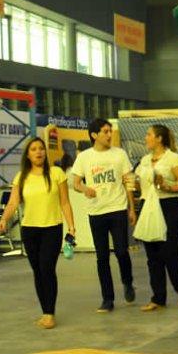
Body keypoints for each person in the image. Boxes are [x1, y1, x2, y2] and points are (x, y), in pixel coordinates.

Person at [0, 138, 76, 329]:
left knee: (47, 268)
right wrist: (4, 219)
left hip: (52, 228)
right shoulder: (21, 177)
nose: (38, 152)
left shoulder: (56, 173)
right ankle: (45, 311)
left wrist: (71, 226)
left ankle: (50, 313)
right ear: (28, 155)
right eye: (33, 149)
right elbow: (13, 202)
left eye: (41, 148)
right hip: (29, 230)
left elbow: (65, 202)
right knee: (38, 271)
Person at [70, 118, 135, 313]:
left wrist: (131, 208)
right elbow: (75, 182)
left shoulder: (120, 154)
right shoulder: (84, 157)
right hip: (96, 211)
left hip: (117, 208)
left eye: (110, 131)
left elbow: (128, 181)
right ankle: (108, 299)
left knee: (122, 251)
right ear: (94, 135)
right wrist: (85, 189)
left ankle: (127, 282)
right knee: (102, 257)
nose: (109, 134)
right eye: (105, 131)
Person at [135, 124, 178, 311]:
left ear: (159, 138)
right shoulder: (144, 161)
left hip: (168, 207)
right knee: (152, 256)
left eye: (149, 134)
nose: (145, 138)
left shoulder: (172, 158)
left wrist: (167, 186)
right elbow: (139, 184)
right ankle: (158, 298)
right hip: (148, 206)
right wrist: (133, 183)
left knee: (169, 252)